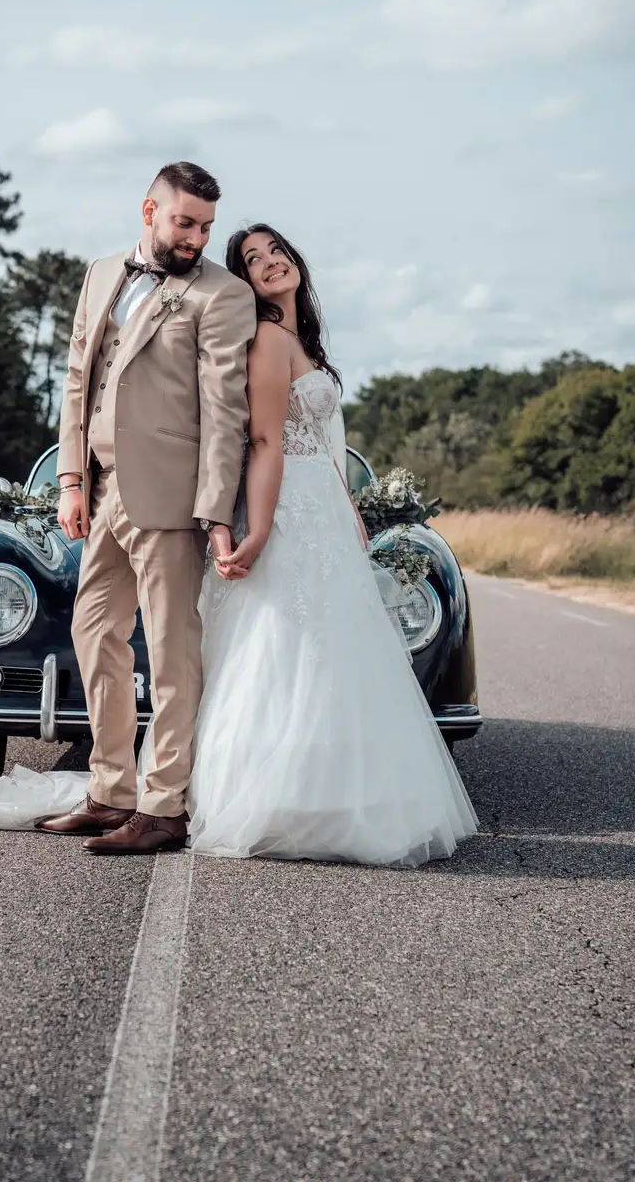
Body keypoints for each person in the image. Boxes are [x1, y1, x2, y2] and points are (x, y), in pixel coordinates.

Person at [184, 224, 478, 865]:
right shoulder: (266, 339)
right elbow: (265, 441)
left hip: (324, 509)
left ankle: (331, 795)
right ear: (243, 280)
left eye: (275, 250)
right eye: (252, 259)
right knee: (286, 642)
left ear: (295, 259)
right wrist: (260, 529)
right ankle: (271, 797)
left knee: (338, 649)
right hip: (288, 507)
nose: (269, 262)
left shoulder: (303, 343)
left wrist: (349, 510)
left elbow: (322, 444)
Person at [32, 162, 256, 854]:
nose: (196, 238)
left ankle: (163, 806)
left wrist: (215, 511)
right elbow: (77, 380)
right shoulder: (102, 273)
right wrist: (72, 480)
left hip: (171, 495)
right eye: (185, 223)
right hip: (101, 489)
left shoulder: (222, 295)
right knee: (93, 630)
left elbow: (225, 412)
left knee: (170, 651)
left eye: (206, 227)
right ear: (149, 211)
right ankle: (110, 791)